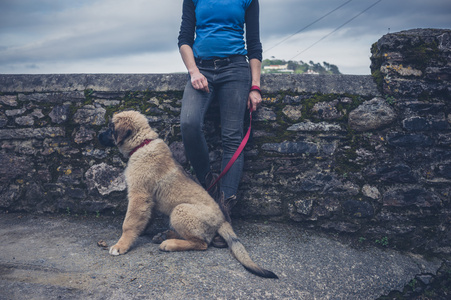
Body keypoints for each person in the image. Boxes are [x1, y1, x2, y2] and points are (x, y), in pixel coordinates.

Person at [177, 0, 263, 233]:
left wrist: (255, 86)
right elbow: (184, 38)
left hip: (235, 69)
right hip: (201, 68)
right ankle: (209, 188)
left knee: (232, 136)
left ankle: (224, 213)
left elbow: (254, 45)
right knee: (189, 123)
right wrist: (193, 71)